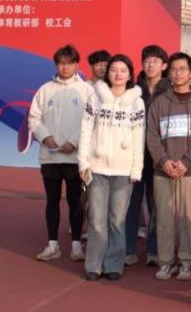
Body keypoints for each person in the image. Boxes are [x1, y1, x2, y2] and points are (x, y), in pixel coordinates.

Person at [78, 54, 145, 281]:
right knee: (97, 220)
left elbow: (138, 136)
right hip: (97, 169)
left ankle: (114, 264)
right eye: (114, 69)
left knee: (117, 221)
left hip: (123, 172)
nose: (118, 74)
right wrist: (83, 163)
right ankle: (94, 265)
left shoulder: (136, 102)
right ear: (108, 73)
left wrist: (136, 168)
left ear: (130, 74)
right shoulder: (95, 97)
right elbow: (86, 130)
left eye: (123, 70)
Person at [146, 52, 191, 281]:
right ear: (169, 73)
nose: (178, 73)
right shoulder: (159, 103)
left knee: (188, 218)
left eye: (183, 69)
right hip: (162, 171)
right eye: (174, 69)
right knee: (164, 218)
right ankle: (165, 261)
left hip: (189, 172)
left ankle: (185, 262)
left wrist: (186, 162)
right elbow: (152, 136)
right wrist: (163, 161)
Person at [29, 45, 93, 262]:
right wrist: (45, 136)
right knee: (52, 200)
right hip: (50, 157)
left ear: (76, 64)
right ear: (56, 65)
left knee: (75, 202)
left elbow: (91, 120)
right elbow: (34, 118)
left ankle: (76, 245)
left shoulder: (86, 90)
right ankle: (52, 245)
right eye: (61, 63)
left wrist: (74, 142)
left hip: (75, 157)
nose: (64, 67)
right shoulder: (45, 89)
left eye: (69, 63)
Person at [126, 44, 167, 267]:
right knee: (131, 205)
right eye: (147, 61)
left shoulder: (170, 91)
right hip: (134, 156)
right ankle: (128, 249)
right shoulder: (132, 90)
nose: (150, 65)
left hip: (159, 158)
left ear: (164, 65)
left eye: (155, 61)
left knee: (157, 205)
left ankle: (153, 250)